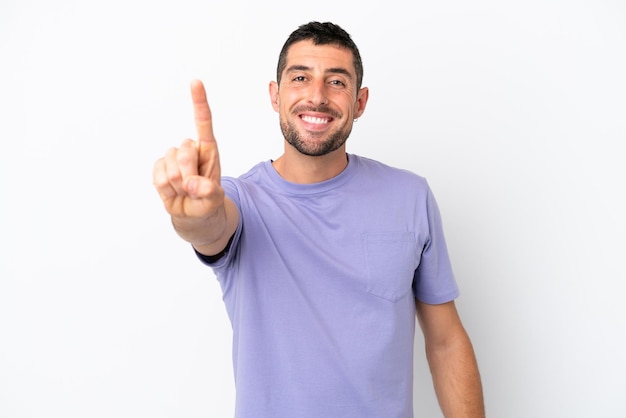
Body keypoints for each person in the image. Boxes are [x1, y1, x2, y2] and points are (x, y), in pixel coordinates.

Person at [153, 21, 485, 418]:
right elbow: (210, 227)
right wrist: (196, 216)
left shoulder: (410, 197)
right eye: (300, 78)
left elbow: (446, 341)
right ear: (275, 95)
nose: (317, 96)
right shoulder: (240, 200)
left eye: (337, 82)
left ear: (360, 102)